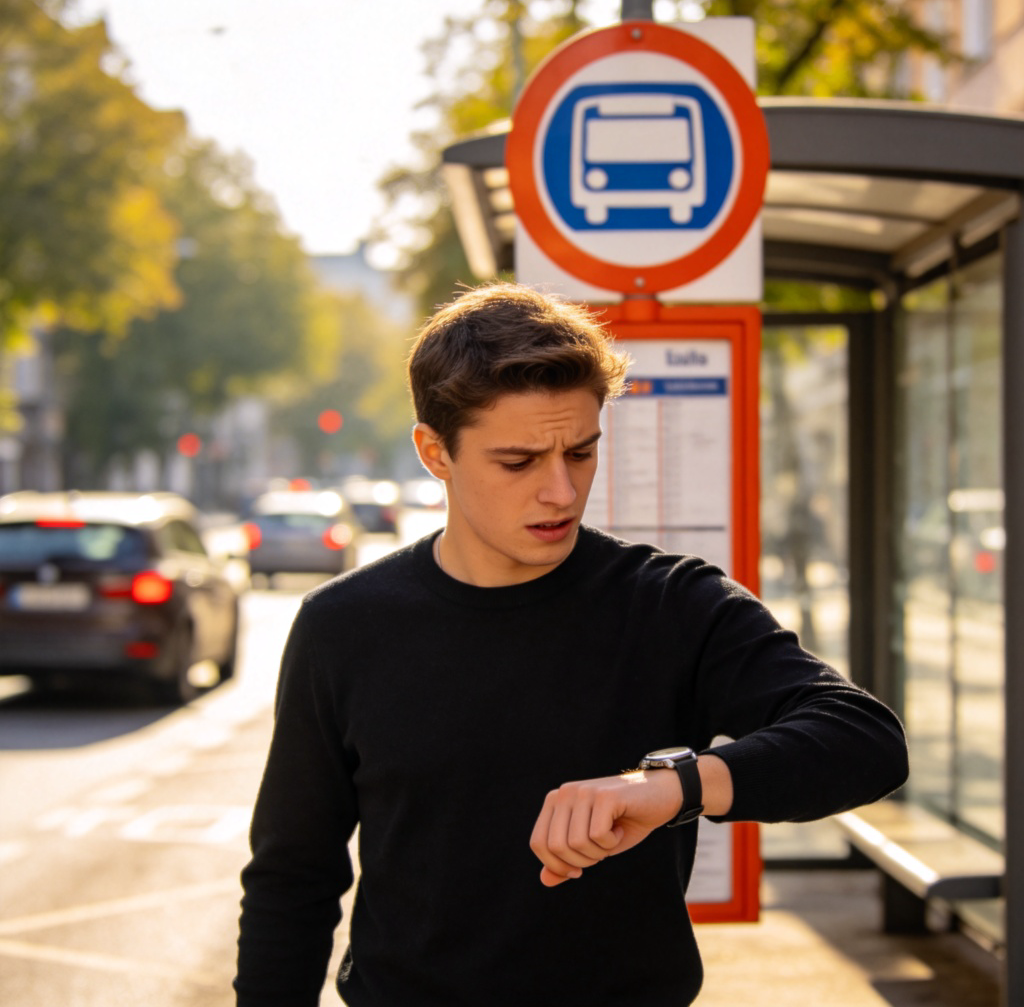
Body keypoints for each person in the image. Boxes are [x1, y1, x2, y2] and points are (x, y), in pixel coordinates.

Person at [235, 281, 908, 1007]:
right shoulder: (343, 625)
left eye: (581, 453)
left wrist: (671, 788)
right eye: (519, 462)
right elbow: (292, 879)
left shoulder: (669, 602)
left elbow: (865, 740)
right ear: (435, 453)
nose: (560, 491)